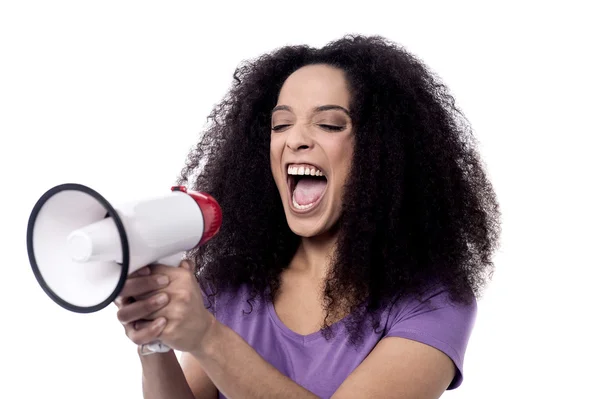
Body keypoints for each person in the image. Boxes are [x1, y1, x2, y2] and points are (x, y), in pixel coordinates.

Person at [114, 34, 501, 399]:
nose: (294, 139)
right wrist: (154, 339)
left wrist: (208, 337)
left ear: (383, 152)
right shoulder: (233, 287)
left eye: (329, 124)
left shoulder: (432, 302)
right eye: (280, 124)